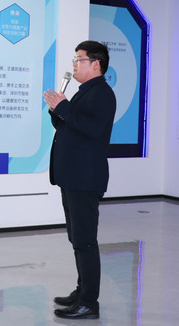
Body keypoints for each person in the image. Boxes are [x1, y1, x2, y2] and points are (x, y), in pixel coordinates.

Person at [43, 40, 116, 320]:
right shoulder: (84, 92)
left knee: (85, 241)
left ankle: (88, 303)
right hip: (72, 176)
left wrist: (64, 107)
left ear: (95, 64)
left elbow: (94, 129)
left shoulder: (102, 94)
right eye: (74, 59)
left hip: (85, 178)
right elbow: (69, 126)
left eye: (79, 59)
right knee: (77, 239)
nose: (74, 64)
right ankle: (81, 291)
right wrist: (57, 110)